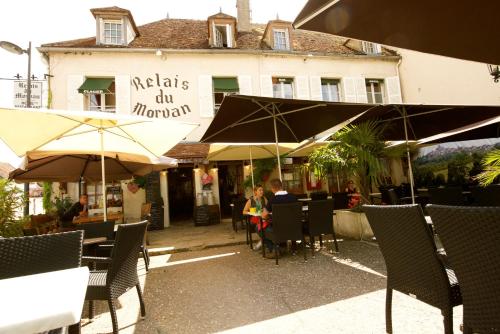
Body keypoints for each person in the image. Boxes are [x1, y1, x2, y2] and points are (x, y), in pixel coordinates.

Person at [261, 179, 297, 258]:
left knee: (260, 228)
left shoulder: (272, 200)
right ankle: (283, 247)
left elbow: (263, 215)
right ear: (282, 186)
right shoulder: (293, 197)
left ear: (272, 189)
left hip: (279, 229)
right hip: (294, 228)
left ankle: (276, 249)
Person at [242, 184, 268, 250]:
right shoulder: (251, 200)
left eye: (262, 190)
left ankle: (262, 241)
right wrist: (251, 212)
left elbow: (268, 209)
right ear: (255, 191)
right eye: (260, 190)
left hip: (262, 218)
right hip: (254, 219)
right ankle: (264, 241)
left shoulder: (264, 199)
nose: (262, 191)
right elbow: (244, 211)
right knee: (263, 224)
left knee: (268, 223)